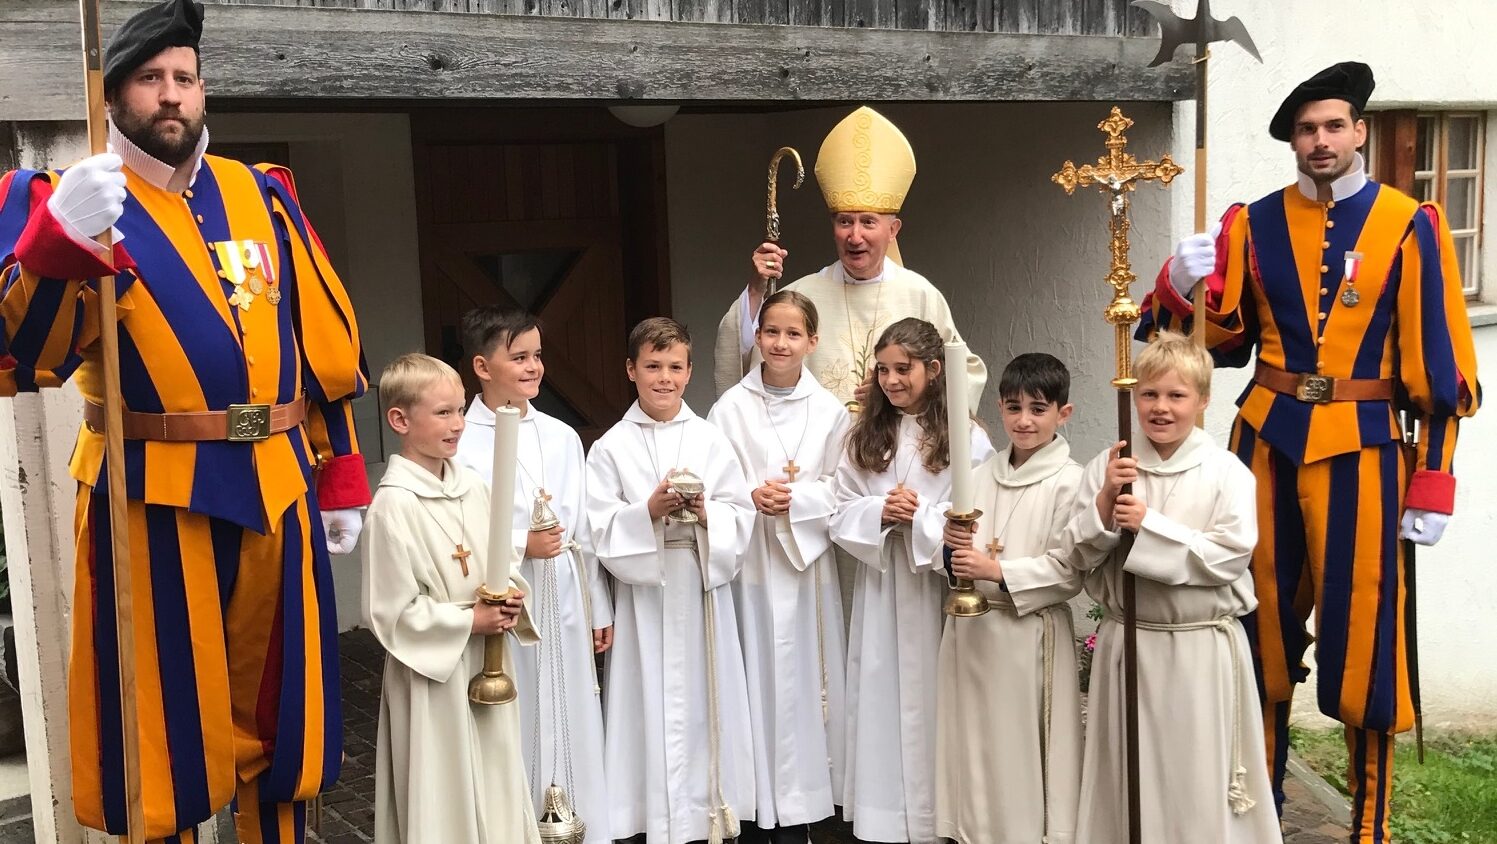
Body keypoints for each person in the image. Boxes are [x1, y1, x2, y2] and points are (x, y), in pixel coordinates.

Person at [0, 1, 367, 839]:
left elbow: (323, 346)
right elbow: (23, 354)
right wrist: (56, 243)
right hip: (151, 493)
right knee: (161, 732)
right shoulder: (64, 199)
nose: (171, 95)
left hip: (278, 482)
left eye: (184, 79)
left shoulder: (261, 194)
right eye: (149, 79)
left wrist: (340, 470)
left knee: (282, 719)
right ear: (114, 93)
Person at [1143, 61, 1481, 842]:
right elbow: (1214, 347)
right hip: (1262, 441)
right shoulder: (1250, 223)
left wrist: (1432, 477)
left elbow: (1436, 365)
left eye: (1332, 126)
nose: (1319, 141)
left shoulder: (1409, 222)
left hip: (1365, 451)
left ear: (1359, 131)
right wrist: (1178, 284)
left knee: (1363, 636)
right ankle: (1254, 807)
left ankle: (1368, 822)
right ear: (1291, 141)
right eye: (1305, 129)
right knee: (1253, 622)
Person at [1062, 332, 1277, 843]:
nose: (1161, 408)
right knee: (1128, 771)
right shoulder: (1111, 465)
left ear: (1202, 401)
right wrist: (1105, 508)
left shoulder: (1226, 471)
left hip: (1198, 647)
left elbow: (1230, 556)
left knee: (1195, 770)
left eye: (1177, 396)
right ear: (1134, 397)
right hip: (1129, 642)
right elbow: (1074, 552)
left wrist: (1150, 525)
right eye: (1149, 394)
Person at [584, 317, 756, 844]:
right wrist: (647, 512)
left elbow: (740, 511)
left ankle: (711, 810)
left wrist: (707, 514)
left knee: (710, 700)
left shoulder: (711, 439)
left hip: (701, 586)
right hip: (646, 596)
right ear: (630, 370)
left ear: (690, 372)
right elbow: (596, 527)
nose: (664, 378)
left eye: (675, 367)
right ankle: (651, 818)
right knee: (645, 702)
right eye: (652, 367)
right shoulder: (610, 446)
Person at [361, 353, 538, 844]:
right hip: (432, 682)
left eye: (461, 410)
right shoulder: (392, 507)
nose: (459, 424)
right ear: (399, 419)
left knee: (498, 786)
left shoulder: (474, 488)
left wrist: (509, 600)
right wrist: (468, 620)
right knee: (444, 799)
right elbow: (390, 614)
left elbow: (499, 564)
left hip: (485, 664)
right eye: (443, 413)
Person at [829, 317, 994, 844]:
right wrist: (879, 510)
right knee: (879, 693)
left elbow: (979, 509)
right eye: (883, 369)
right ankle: (881, 817)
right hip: (883, 587)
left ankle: (937, 816)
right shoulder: (864, 432)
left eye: (904, 369)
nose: (892, 380)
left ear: (935, 369)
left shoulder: (967, 436)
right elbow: (838, 508)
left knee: (933, 697)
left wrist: (920, 515)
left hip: (933, 589)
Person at [453, 306, 612, 841]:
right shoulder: (462, 440)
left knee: (570, 707)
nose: (533, 367)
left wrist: (598, 607)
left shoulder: (562, 435)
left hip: (564, 594)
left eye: (537, 355)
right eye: (518, 357)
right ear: (482, 365)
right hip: (508, 600)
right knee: (515, 711)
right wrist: (521, 543)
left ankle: (578, 818)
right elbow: (458, 529)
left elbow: (584, 531)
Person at [713, 106, 985, 409]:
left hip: (899, 448)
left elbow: (965, 375)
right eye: (845, 221)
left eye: (868, 222)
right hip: (817, 452)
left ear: (892, 229)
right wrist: (756, 290)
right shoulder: (801, 296)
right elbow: (746, 358)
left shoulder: (920, 295)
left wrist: (906, 393)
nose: (855, 237)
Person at [707, 291, 850, 844]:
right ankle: (755, 802)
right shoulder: (729, 410)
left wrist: (800, 501)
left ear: (812, 341)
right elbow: (715, 482)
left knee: (805, 682)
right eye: (771, 332)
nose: (781, 343)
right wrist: (749, 494)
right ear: (757, 337)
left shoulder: (832, 412)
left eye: (794, 334)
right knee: (754, 676)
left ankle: (811, 803)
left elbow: (844, 486)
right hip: (750, 567)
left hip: (804, 568)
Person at [934, 352, 1084, 844]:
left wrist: (995, 570)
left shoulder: (1071, 482)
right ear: (999, 406)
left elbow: (1069, 570)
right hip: (973, 634)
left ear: (1064, 413)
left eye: (1038, 409)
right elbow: (952, 552)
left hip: (1028, 637)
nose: (1024, 420)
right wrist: (950, 547)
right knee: (974, 747)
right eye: (1014, 407)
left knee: (1020, 751)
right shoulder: (978, 476)